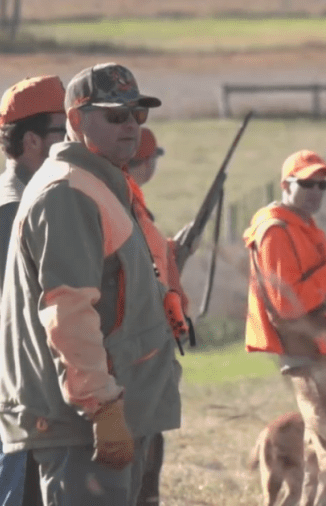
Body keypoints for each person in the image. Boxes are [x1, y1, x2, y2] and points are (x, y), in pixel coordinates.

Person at [0, 62, 181, 506]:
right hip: (83, 423)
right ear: (76, 120)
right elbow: (68, 310)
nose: (131, 126)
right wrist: (103, 407)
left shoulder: (101, 185)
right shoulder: (68, 192)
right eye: (116, 115)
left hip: (107, 413)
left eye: (138, 114)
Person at [0, 75, 66, 506]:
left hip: (24, 386)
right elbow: (17, 312)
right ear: (32, 141)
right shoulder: (10, 207)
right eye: (62, 131)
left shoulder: (28, 196)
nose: (70, 140)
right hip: (18, 391)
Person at [243, 149, 326, 506]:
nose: (316, 191)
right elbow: (288, 304)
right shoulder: (275, 231)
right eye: (307, 183)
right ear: (286, 185)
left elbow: (325, 297)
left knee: (321, 461)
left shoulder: (305, 230)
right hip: (311, 359)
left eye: (321, 185)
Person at [125, 128, 193, 506]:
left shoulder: (130, 201)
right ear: (145, 162)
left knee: (149, 437)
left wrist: (171, 252)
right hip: (139, 347)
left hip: (145, 343)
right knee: (143, 438)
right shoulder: (126, 203)